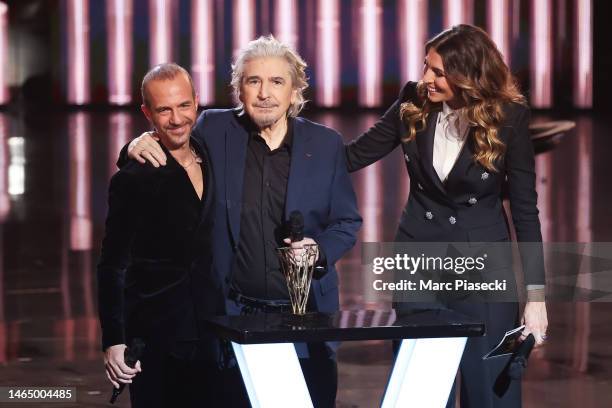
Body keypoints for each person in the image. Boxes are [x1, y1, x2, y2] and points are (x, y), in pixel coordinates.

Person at [124, 36, 362, 407]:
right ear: (239, 89)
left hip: (305, 318)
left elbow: (347, 221)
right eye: (254, 81)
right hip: (232, 319)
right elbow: (171, 138)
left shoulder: (326, 143)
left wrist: (318, 250)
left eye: (277, 82)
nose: (264, 93)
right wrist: (135, 144)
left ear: (295, 90)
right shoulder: (214, 130)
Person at [344, 24, 548, 407]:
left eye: (438, 72)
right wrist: (292, 141)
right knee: (418, 388)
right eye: (426, 67)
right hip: (418, 262)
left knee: (489, 388)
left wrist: (535, 296)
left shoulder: (509, 117)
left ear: (467, 75)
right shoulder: (412, 103)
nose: (426, 79)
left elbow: (525, 211)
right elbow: (352, 156)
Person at [97, 63, 222, 407]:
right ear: (147, 112)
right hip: (158, 336)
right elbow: (112, 264)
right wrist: (114, 339)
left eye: (183, 105)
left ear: (197, 101)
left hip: (214, 331)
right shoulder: (135, 179)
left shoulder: (210, 152)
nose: (177, 118)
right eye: (164, 109)